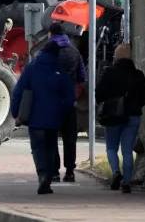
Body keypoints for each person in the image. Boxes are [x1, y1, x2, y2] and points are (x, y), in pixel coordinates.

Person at [11, 46, 75, 195]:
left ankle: (42, 174)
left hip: (34, 117)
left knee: (38, 148)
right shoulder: (60, 69)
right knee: (51, 147)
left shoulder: (31, 68)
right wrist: (63, 111)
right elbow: (69, 96)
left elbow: (18, 91)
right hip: (54, 118)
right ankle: (49, 175)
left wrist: (15, 112)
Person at [96, 43, 145, 194]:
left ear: (116, 57)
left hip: (113, 115)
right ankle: (126, 182)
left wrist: (108, 102)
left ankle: (115, 172)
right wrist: (135, 105)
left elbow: (99, 94)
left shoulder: (109, 73)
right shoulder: (138, 75)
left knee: (111, 147)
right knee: (127, 150)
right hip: (133, 116)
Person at [44, 22, 87, 183]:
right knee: (70, 139)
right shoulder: (74, 52)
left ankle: (54, 171)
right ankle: (70, 172)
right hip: (69, 102)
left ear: (51, 34)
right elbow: (82, 76)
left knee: (51, 138)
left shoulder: (47, 51)